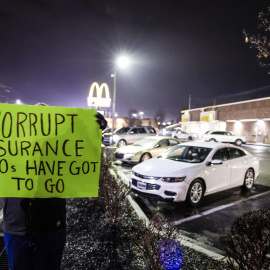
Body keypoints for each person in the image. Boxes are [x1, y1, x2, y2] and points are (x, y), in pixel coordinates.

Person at [2, 105, 107, 270]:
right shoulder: (11, 148)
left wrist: (93, 126)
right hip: (15, 229)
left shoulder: (59, 149)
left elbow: (83, 153)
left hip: (50, 230)